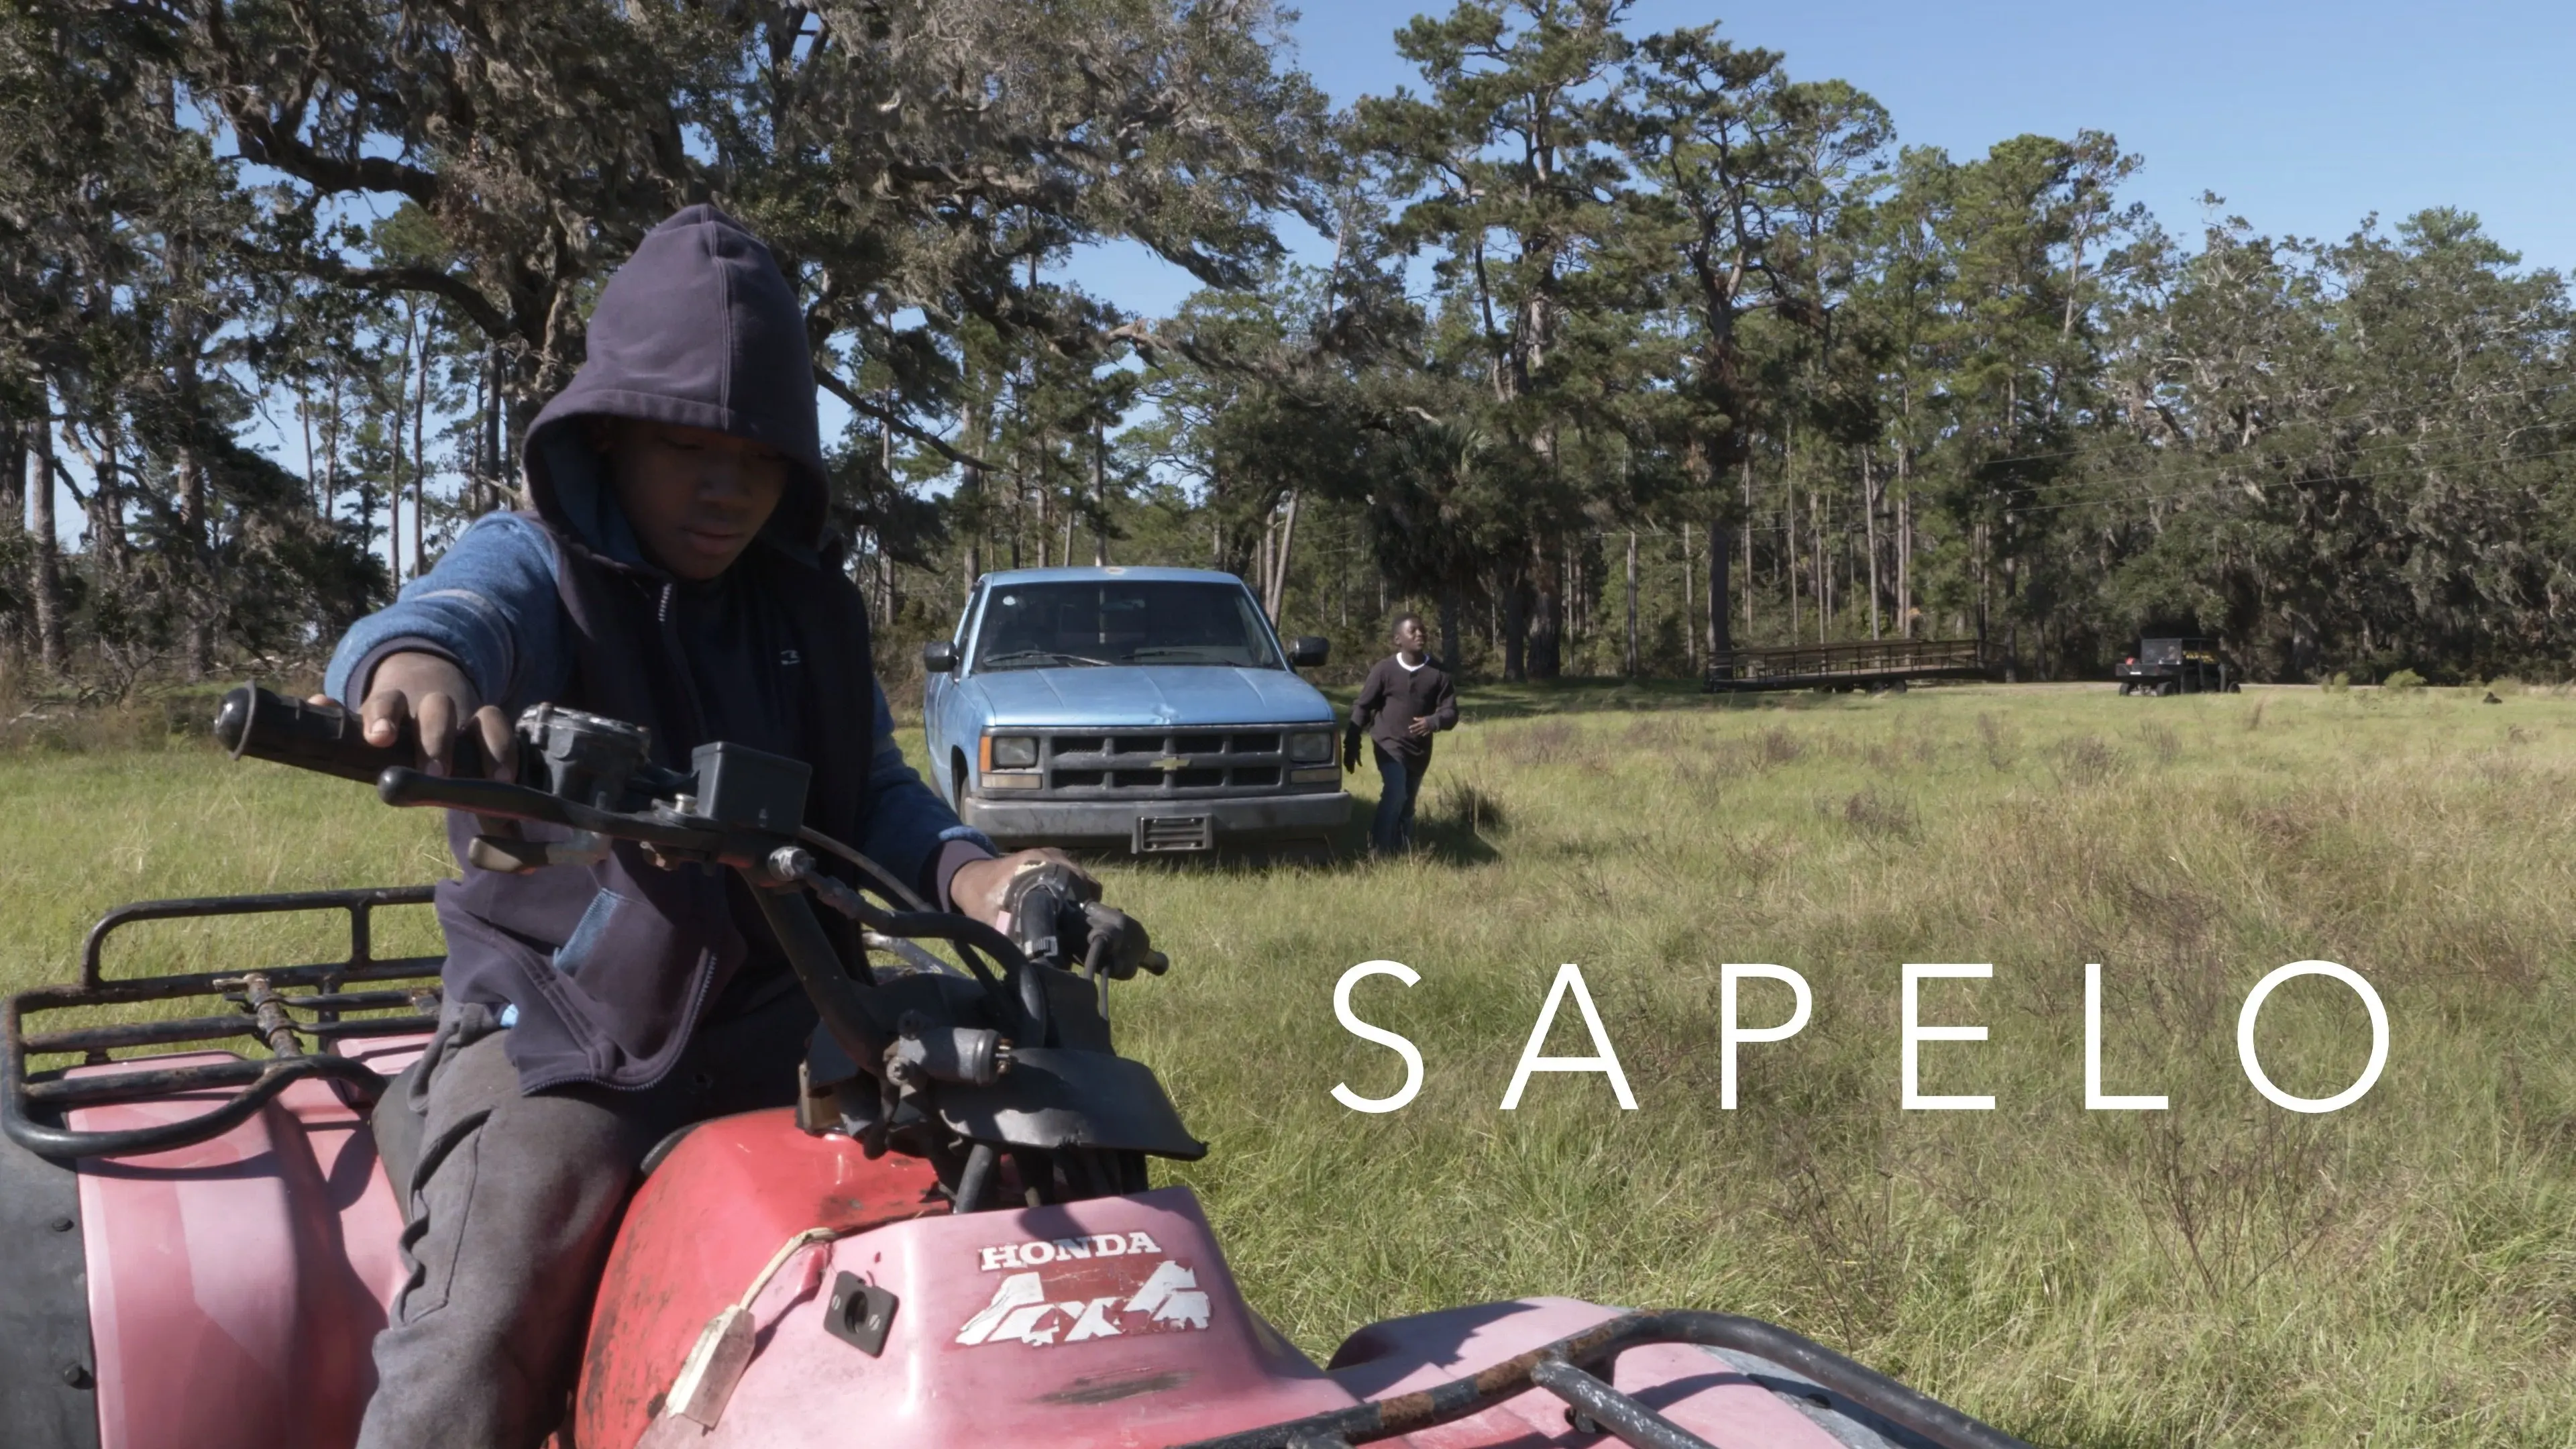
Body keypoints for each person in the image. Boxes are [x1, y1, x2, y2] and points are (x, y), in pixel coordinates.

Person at [316, 205, 1081, 1449]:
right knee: (487, 1313)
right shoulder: (535, 565)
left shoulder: (810, 611)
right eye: (686, 446)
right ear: (607, 440)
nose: (728, 488)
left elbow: (873, 793)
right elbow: (447, 617)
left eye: (760, 457)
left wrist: (984, 877)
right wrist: (411, 670)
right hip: (570, 1030)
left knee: (1055, 1131)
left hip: (799, 1013)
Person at [1348, 613, 1458, 854]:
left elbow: (1451, 712)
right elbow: (1363, 706)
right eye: (1413, 631)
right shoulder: (1384, 670)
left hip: (1419, 750)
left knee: (1407, 805)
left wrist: (1434, 721)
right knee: (1396, 792)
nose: (1420, 634)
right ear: (1398, 640)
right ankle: (1378, 852)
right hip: (1388, 743)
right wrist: (1352, 743)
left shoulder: (1438, 672)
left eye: (1422, 630)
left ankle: (1402, 853)